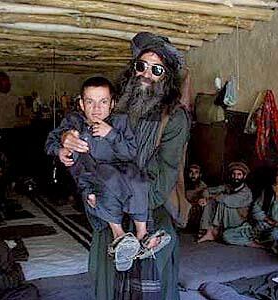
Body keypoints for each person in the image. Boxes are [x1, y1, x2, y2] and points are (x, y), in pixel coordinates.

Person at [57, 32, 190, 299]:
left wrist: (123, 204)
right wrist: (66, 139)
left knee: (152, 282)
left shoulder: (174, 119)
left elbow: (163, 179)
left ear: (167, 77)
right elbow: (82, 125)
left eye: (157, 69)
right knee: (107, 283)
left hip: (150, 206)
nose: (146, 74)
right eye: (141, 66)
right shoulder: (116, 106)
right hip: (108, 206)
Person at [46, 77, 170, 271]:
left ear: (112, 104)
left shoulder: (120, 122)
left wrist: (111, 134)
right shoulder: (73, 123)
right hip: (92, 177)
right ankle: (119, 238)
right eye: (90, 102)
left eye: (103, 102)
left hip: (123, 172)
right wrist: (60, 150)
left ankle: (143, 234)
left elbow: (131, 152)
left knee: (138, 182)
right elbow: (51, 141)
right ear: (81, 103)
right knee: (104, 187)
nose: (97, 108)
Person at [222, 162, 278, 250]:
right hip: (261, 225)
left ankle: (269, 243)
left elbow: (277, 218)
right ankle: (258, 245)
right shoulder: (267, 190)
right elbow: (255, 209)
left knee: (276, 235)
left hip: (276, 228)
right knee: (227, 235)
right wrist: (266, 219)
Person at [197, 162, 253, 243]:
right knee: (210, 202)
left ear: (244, 176)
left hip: (238, 221)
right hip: (225, 219)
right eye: (234, 174)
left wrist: (210, 198)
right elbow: (207, 190)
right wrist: (204, 197)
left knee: (222, 201)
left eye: (239, 174)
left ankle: (214, 231)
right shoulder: (228, 186)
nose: (236, 177)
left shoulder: (246, 192)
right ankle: (207, 231)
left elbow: (227, 199)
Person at [185, 164, 209, 231]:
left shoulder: (202, 186)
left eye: (196, 172)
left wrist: (203, 199)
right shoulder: (183, 184)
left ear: (200, 175)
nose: (193, 175)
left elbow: (205, 194)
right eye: (191, 172)